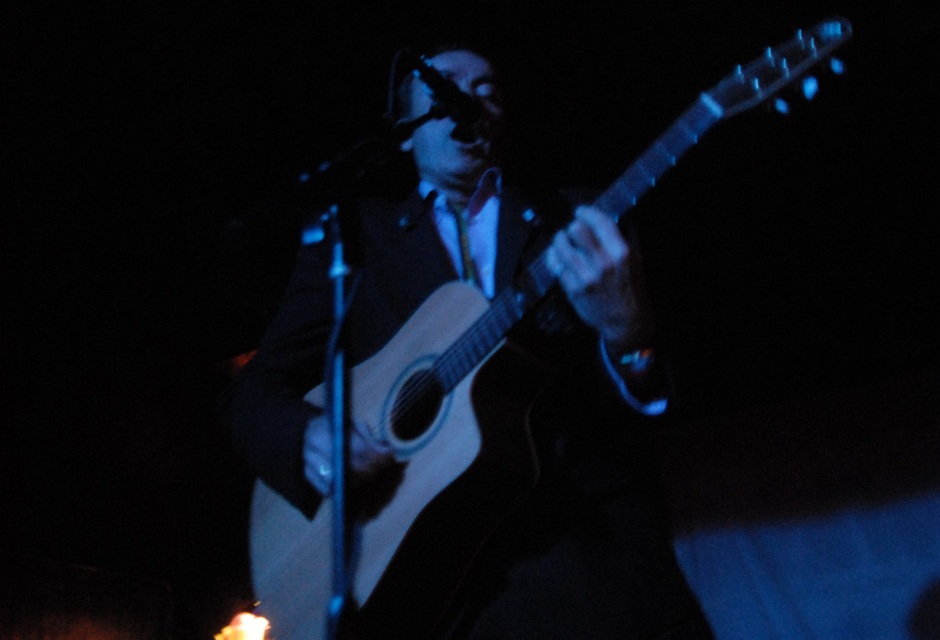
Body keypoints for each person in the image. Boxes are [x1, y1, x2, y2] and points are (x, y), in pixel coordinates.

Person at [222, 46, 712, 639]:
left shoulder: (577, 219)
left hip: (593, 573)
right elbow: (253, 394)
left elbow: (669, 392)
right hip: (430, 597)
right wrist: (305, 437)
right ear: (406, 133)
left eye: (487, 90)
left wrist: (627, 334)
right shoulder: (356, 239)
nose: (469, 99)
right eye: (445, 86)